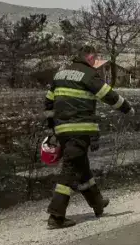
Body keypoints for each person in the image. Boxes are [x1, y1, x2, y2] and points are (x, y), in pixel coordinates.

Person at [43, 51, 133, 229]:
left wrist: (52, 127)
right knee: (70, 169)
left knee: (81, 167)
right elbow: (108, 94)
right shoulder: (89, 74)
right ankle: (56, 215)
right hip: (80, 129)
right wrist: (127, 108)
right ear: (89, 57)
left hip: (62, 130)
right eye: (95, 57)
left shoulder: (60, 74)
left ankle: (97, 203)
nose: (96, 61)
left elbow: (48, 103)